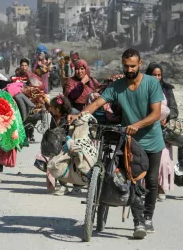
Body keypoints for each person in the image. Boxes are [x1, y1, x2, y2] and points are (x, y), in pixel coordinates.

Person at [68, 48, 165, 239]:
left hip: (152, 140)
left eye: (132, 66)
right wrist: (78, 115)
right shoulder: (117, 86)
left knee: (152, 181)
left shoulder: (152, 84)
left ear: (140, 64)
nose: (129, 69)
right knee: (132, 180)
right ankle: (138, 223)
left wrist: (136, 125)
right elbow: (96, 104)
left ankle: (147, 216)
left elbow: (155, 114)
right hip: (130, 141)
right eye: (126, 66)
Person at [34, 95, 82, 195]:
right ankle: (63, 185)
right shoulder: (55, 117)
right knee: (57, 164)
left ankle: (77, 187)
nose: (50, 109)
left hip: (69, 144)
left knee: (73, 166)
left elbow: (74, 132)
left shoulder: (70, 117)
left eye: (52, 107)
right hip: (58, 145)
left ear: (58, 109)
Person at [145, 63, 179, 200]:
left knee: (163, 161)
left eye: (159, 75)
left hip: (163, 132)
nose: (157, 78)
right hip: (146, 129)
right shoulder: (143, 88)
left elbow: (174, 109)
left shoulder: (167, 89)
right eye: (154, 75)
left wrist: (167, 117)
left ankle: (160, 187)